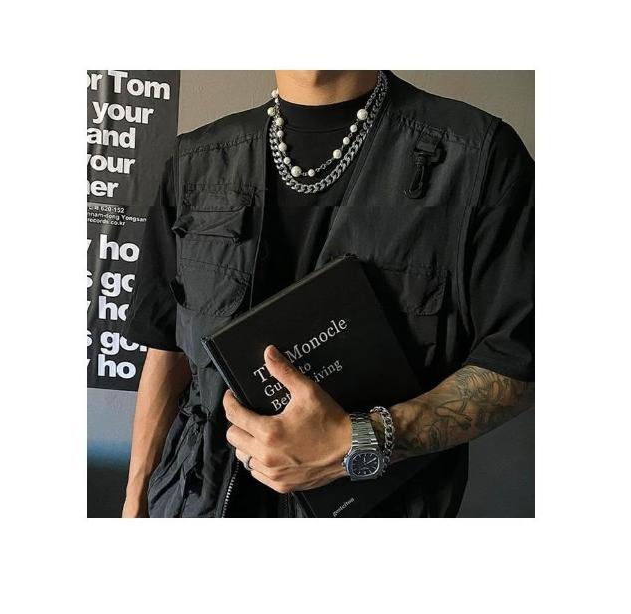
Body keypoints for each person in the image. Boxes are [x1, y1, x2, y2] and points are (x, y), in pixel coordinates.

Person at [122, 70, 534, 518]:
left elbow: (519, 357)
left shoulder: (479, 156)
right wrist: (136, 500)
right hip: (193, 503)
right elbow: (167, 347)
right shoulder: (195, 161)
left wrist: (363, 440)